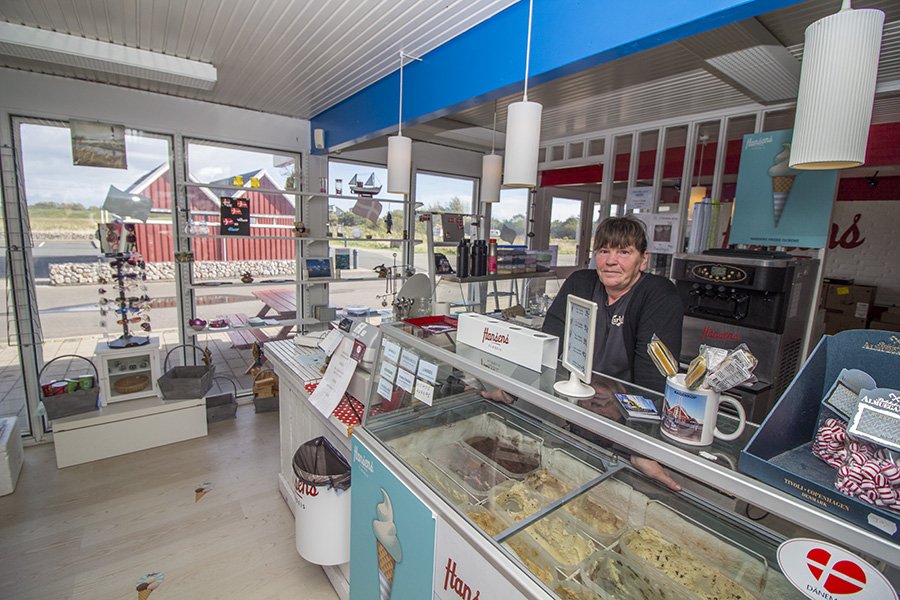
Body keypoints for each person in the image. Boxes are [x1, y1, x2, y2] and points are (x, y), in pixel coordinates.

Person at [542, 216, 683, 393]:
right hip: (576, 394)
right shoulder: (580, 283)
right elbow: (549, 345)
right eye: (604, 251)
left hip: (625, 406)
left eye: (623, 252)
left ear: (643, 259)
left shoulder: (659, 295)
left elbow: (653, 383)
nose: (611, 261)